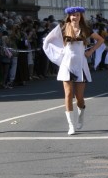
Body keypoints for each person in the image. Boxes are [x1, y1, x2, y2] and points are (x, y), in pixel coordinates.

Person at [43, 7, 104, 135]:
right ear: (69, 16)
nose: (74, 17)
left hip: (81, 64)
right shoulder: (63, 28)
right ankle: (71, 125)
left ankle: (81, 113)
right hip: (67, 64)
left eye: (77, 15)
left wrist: (91, 51)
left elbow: (100, 40)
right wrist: (59, 52)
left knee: (79, 98)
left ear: (81, 16)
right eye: (72, 15)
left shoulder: (85, 29)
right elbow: (48, 40)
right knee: (68, 94)